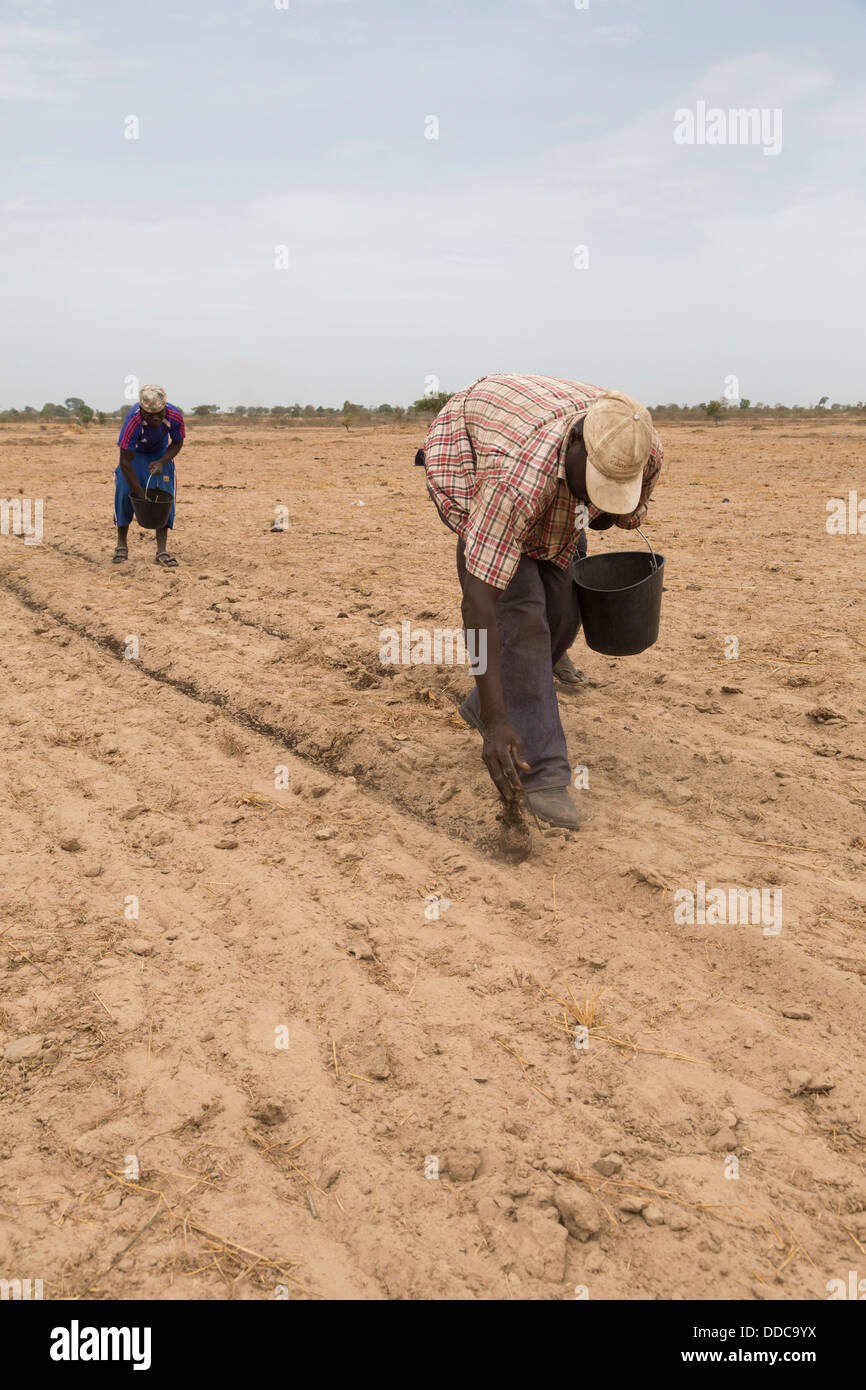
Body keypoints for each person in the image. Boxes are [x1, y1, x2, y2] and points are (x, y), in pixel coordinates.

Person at [421, 374, 663, 830]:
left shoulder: (640, 445)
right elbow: (478, 605)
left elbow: (623, 515)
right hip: (470, 450)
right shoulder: (513, 482)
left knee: (565, 611)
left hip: (547, 487)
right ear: (574, 442)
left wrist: (611, 510)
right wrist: (496, 724)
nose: (599, 496)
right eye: (594, 482)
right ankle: (542, 772)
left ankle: (484, 699)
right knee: (522, 614)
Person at [113, 385, 185, 566]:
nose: (156, 418)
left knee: (165, 496)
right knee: (124, 492)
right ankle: (121, 545)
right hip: (134, 456)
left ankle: (162, 551)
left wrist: (162, 461)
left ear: (165, 407)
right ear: (141, 410)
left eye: (160, 413)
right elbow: (125, 462)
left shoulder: (174, 416)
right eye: (150, 414)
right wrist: (139, 492)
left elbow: (177, 442)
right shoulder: (132, 421)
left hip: (160, 454)